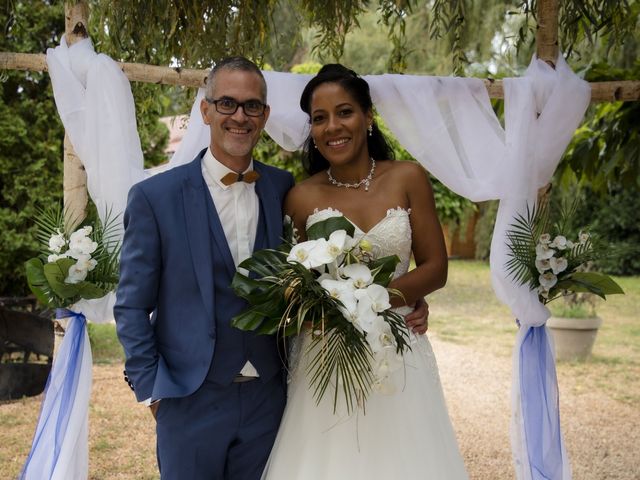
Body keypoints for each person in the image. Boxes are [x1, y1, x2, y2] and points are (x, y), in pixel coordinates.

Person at [115, 57, 428, 480]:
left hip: (271, 399)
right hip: (189, 400)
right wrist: (153, 390)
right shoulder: (154, 198)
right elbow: (131, 306)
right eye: (227, 103)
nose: (239, 116)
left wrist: (402, 294)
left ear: (264, 116)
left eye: (252, 106)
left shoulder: (283, 189)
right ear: (205, 110)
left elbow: (321, 272)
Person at [262, 64, 469, 479]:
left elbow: (436, 267)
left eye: (345, 112)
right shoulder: (300, 198)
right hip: (325, 354)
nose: (332, 127)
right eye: (319, 118)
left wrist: (376, 302)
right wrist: (331, 310)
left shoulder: (408, 177)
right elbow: (290, 283)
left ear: (368, 117)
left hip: (397, 348)